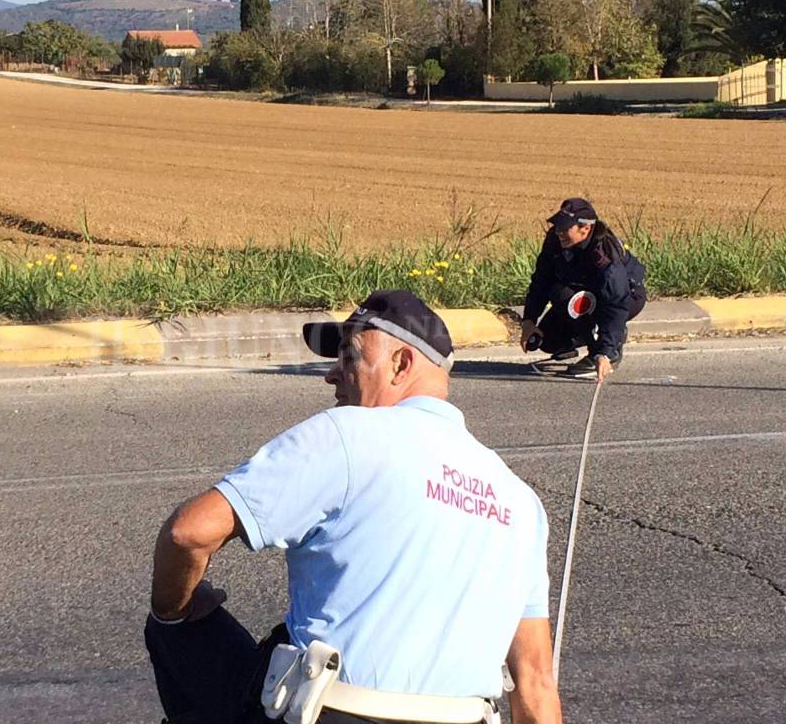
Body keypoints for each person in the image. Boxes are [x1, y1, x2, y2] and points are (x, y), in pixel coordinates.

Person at [145, 290, 562, 724]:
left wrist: (175, 610)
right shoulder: (521, 502)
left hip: (335, 711)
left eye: (349, 357)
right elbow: (535, 682)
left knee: (178, 630)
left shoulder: (349, 434)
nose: (331, 375)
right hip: (464, 717)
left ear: (401, 364)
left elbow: (189, 533)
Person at [520, 198, 647, 382]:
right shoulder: (555, 240)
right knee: (549, 340)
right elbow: (542, 279)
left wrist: (604, 351)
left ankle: (604, 349)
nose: (559, 232)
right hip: (585, 295)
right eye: (557, 227)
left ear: (585, 229)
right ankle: (591, 336)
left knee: (563, 296)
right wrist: (529, 320)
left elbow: (616, 304)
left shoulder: (604, 254)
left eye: (565, 228)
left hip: (626, 298)